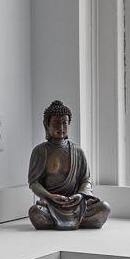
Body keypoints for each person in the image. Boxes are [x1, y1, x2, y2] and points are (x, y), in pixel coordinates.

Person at [27, 99, 110, 230]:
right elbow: (34, 183)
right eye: (56, 124)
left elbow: (86, 180)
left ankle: (69, 220)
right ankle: (76, 221)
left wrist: (80, 195)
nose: (61, 128)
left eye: (64, 123)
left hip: (76, 203)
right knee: (35, 213)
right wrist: (49, 196)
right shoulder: (40, 151)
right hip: (52, 203)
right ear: (47, 126)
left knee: (104, 208)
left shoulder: (77, 151)